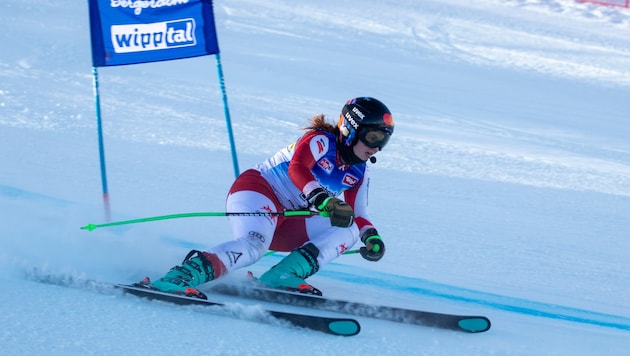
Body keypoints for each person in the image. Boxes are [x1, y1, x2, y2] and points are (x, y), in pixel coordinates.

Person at [143, 97, 395, 297]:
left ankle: (283, 275)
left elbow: (359, 214)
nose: (376, 147)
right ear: (350, 129)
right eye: (372, 137)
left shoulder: (360, 171)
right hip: (258, 191)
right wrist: (322, 199)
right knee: (254, 245)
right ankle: (178, 278)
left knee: (349, 226)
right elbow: (298, 168)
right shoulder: (320, 141)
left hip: (288, 218)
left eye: (383, 140)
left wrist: (371, 236)